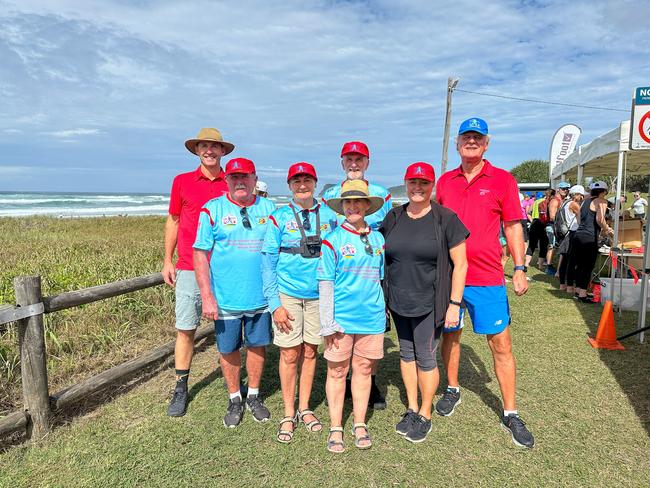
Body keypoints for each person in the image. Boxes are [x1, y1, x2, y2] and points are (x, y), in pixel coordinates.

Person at [435, 117, 534, 449]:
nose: (471, 142)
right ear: (458, 143)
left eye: (478, 137)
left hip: (487, 276)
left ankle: (510, 411)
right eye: (466, 137)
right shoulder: (445, 181)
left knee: (501, 344)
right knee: (450, 336)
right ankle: (452, 388)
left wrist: (519, 267)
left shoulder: (503, 179)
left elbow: (513, 226)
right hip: (450, 276)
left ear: (487, 144)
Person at [380, 162, 468, 444]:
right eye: (413, 183)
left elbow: (461, 264)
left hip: (430, 303)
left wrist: (454, 304)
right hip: (398, 301)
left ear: (432, 186)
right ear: (405, 184)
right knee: (407, 355)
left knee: (426, 357)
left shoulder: (445, 218)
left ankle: (426, 414)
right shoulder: (394, 216)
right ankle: (412, 408)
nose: (418, 188)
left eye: (424, 183)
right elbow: (382, 256)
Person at [193, 157, 276, 427]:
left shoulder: (270, 208)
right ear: (226, 179)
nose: (240, 181)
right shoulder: (212, 209)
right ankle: (234, 398)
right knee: (228, 348)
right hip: (225, 298)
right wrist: (207, 295)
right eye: (234, 177)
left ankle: (253, 395)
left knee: (257, 345)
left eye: (246, 176)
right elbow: (200, 254)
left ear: (255, 179)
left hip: (261, 297)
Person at [261, 162, 339, 443]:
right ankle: (288, 412)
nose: (302, 185)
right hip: (288, 296)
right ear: (290, 185)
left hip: (319, 294)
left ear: (315, 183)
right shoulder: (279, 217)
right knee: (289, 353)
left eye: (307, 180)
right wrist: (275, 304)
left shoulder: (331, 214)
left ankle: (305, 407)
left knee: (309, 351)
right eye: (297, 181)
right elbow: (268, 262)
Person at [163, 127, 233, 417]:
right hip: (189, 266)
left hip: (225, 266)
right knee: (186, 327)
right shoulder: (181, 181)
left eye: (214, 146)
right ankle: (181, 386)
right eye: (204, 146)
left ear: (222, 151)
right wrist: (167, 259)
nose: (209, 150)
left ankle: (234, 382)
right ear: (196, 150)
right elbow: (174, 220)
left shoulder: (232, 181)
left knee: (229, 326)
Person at [321, 140, 391, 409]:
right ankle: (341, 384)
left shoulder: (381, 195)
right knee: (339, 335)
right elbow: (324, 227)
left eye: (359, 159)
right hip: (339, 272)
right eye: (349, 159)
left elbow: (387, 231)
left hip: (370, 270)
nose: (354, 164)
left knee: (369, 342)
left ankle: (368, 385)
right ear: (341, 162)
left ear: (367, 162)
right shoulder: (330, 195)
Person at [318, 180, 386, 452]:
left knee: (364, 370)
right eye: (348, 202)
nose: (353, 206)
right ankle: (336, 427)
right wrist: (327, 322)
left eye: (358, 201)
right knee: (337, 371)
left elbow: (378, 280)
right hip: (341, 321)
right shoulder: (332, 240)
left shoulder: (379, 239)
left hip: (371, 318)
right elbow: (325, 283)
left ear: (367, 206)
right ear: (341, 207)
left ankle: (359, 423)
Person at [566, 181, 613, 303]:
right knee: (588, 266)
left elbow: (580, 218)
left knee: (580, 265)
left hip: (579, 235)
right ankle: (582, 294)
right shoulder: (601, 201)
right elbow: (600, 219)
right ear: (603, 192)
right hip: (589, 237)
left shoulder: (585, 201)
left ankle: (578, 291)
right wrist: (607, 229)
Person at [558, 185, 585, 292]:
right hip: (572, 233)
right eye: (581, 196)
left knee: (565, 260)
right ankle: (570, 286)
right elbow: (581, 219)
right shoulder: (574, 204)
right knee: (572, 262)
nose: (582, 198)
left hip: (566, 234)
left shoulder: (565, 203)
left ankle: (562, 285)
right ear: (577, 195)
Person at [545, 182, 570, 275]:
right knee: (552, 246)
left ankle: (554, 266)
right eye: (563, 189)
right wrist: (563, 222)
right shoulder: (555, 201)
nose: (565, 191)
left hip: (558, 226)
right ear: (558, 189)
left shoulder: (563, 200)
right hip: (552, 226)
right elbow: (552, 216)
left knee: (556, 246)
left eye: (567, 189)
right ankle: (549, 267)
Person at [525, 191, 549, 269]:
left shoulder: (534, 202)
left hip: (534, 222)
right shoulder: (545, 202)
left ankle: (526, 263)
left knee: (531, 244)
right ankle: (540, 265)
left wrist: (532, 221)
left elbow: (528, 212)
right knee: (543, 244)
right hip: (542, 223)